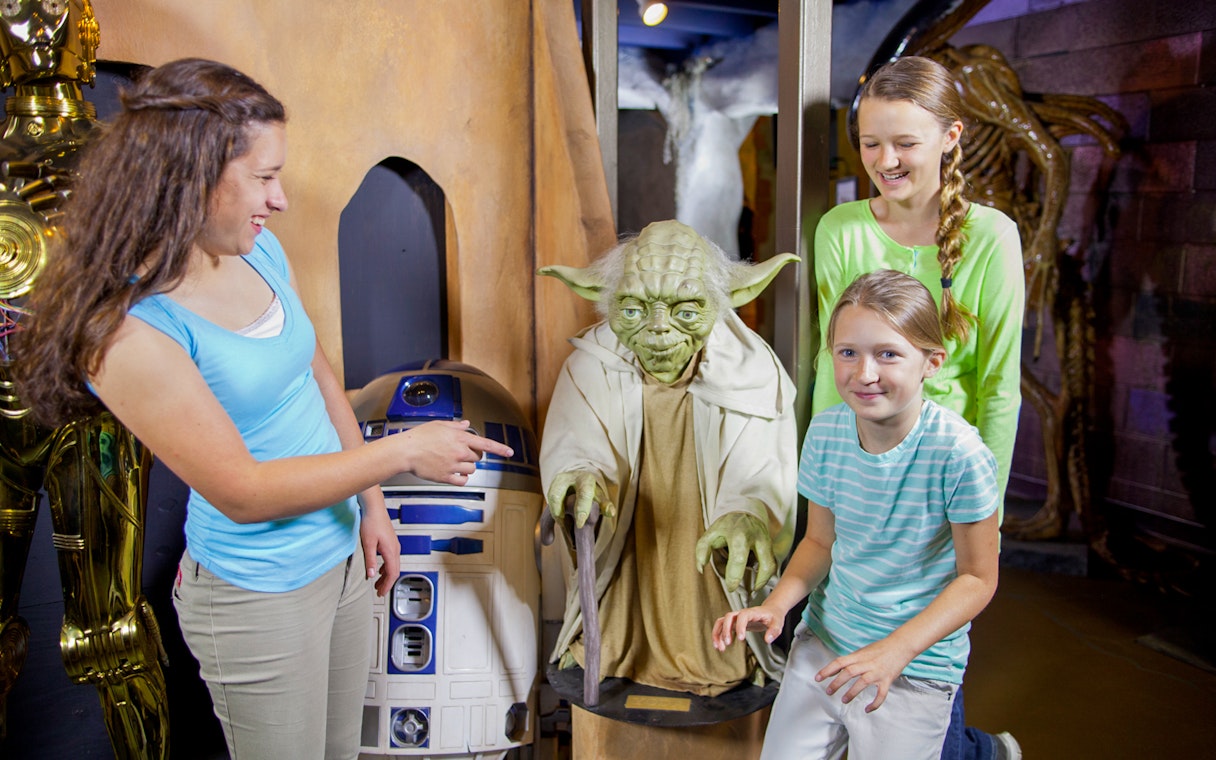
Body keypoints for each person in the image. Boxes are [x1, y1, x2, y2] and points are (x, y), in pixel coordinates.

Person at [13, 58, 512, 760]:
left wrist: (371, 504)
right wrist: (400, 453)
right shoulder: (129, 331)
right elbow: (243, 493)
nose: (278, 200)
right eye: (264, 176)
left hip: (341, 558)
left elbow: (319, 377)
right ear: (192, 175)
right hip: (259, 597)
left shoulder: (256, 250)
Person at [813, 55, 1024, 759]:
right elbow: (829, 361)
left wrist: (983, 503)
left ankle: (979, 753)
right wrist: (819, 472)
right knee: (842, 649)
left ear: (951, 136)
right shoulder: (839, 228)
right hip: (857, 463)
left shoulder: (992, 237)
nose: (885, 159)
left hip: (941, 479)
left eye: (904, 141)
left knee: (921, 663)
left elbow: (998, 382)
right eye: (871, 141)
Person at [713, 269, 1001, 760]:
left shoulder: (959, 454)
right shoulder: (825, 435)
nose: (864, 373)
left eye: (888, 353)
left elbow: (977, 578)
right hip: (826, 643)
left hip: (915, 667)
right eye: (848, 352)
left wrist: (896, 651)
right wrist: (778, 604)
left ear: (932, 361)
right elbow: (819, 543)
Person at [539, 219, 798, 697]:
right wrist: (579, 474)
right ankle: (619, 650)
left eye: (685, 309)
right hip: (631, 543)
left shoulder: (753, 371)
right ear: (609, 302)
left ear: (720, 304)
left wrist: (747, 513)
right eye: (635, 310)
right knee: (619, 613)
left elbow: (762, 467)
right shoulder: (590, 363)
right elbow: (575, 442)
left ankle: (722, 655)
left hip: (703, 549)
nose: (659, 331)